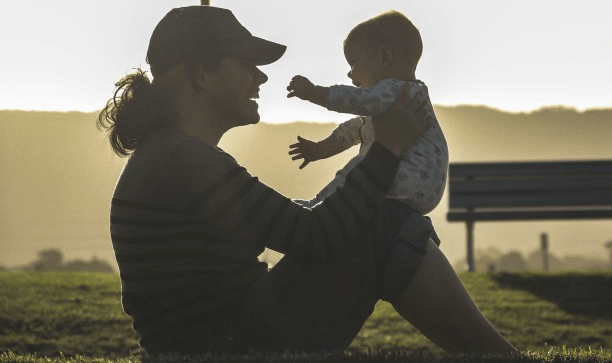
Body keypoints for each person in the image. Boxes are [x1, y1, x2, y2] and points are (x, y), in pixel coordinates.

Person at [97, 5, 516, 355]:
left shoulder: (172, 156)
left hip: (218, 342)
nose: (260, 78)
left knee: (383, 220)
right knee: (385, 222)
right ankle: (501, 358)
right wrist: (388, 147)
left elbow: (293, 225)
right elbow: (316, 236)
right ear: (202, 74)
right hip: (225, 348)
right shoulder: (180, 160)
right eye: (246, 65)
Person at [286, 10, 447, 216]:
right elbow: (356, 130)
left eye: (353, 62)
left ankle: (318, 208)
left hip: (409, 176)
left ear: (384, 56)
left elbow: (356, 100)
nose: (349, 73)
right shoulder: (401, 98)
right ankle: (318, 206)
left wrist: (314, 92)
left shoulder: (399, 90)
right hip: (422, 189)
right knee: (364, 169)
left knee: (359, 169)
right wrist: (319, 150)